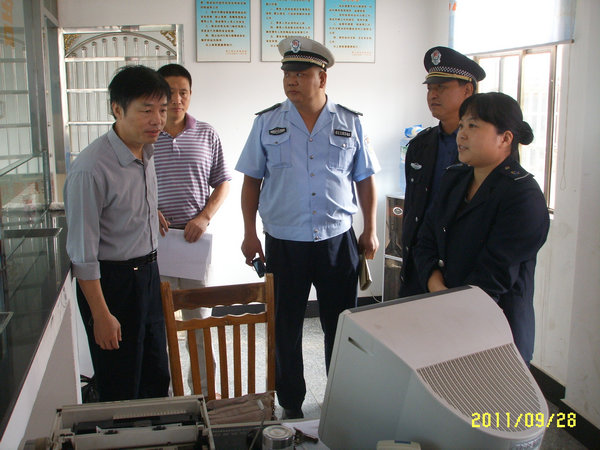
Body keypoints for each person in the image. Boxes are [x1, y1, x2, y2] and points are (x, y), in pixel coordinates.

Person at [235, 36, 380, 419]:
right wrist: (249, 233)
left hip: (337, 240)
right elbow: (251, 181)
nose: (291, 80)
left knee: (341, 325)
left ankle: (342, 398)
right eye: (287, 73)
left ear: (322, 78)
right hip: (284, 242)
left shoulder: (349, 121)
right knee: (285, 326)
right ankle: (291, 403)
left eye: (301, 74)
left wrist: (370, 229)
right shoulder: (267, 122)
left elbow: (365, 179)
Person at [413, 92, 550, 364]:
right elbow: (425, 240)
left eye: (473, 126)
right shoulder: (455, 178)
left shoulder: (523, 196)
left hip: (496, 330)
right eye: (461, 125)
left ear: (505, 138)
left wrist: (445, 299)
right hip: (444, 317)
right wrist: (436, 287)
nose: (461, 135)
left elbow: (494, 275)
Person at [64, 65, 171, 401]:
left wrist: (149, 212)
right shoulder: (91, 168)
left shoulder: (146, 151)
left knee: (156, 372)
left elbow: (124, 205)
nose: (157, 120)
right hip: (114, 284)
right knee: (120, 382)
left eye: (162, 110)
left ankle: (156, 428)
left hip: (148, 275)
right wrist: (101, 313)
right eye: (146, 110)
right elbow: (82, 253)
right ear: (117, 109)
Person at [154, 63, 231, 395]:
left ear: (190, 94)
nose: (177, 99)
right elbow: (130, 183)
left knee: (199, 324)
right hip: (157, 244)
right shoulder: (146, 134)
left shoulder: (206, 133)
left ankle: (203, 394)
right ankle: (169, 397)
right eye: (169, 92)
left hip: (195, 244)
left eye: (183, 92)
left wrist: (204, 217)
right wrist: (148, 209)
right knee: (161, 327)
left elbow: (223, 182)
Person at [399, 46, 486, 297]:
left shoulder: (485, 148)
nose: (433, 95)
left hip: (463, 266)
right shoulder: (420, 145)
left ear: (467, 90)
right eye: (430, 88)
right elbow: (413, 206)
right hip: (419, 262)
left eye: (442, 87)